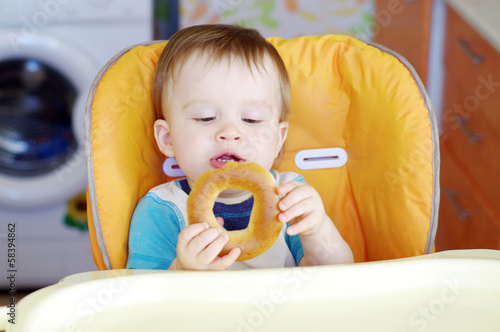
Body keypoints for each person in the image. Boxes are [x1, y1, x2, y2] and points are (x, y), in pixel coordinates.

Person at [126, 24, 353, 271]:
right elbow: (141, 298)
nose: (230, 133)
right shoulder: (161, 211)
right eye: (205, 117)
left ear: (278, 139)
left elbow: (336, 277)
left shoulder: (288, 197)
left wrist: (317, 230)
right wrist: (181, 270)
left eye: (252, 120)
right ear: (167, 138)